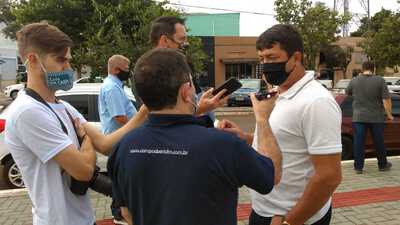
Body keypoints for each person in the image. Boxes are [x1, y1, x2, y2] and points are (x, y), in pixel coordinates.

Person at [108, 48, 282, 225]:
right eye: (192, 84)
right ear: (185, 91)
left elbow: (126, 213)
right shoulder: (223, 145)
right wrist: (263, 119)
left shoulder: (124, 147)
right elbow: (272, 175)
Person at [5, 22, 147, 225]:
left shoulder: (61, 106)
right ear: (33, 60)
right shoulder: (28, 111)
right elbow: (83, 171)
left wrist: (145, 111)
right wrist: (86, 139)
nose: (68, 68)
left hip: (83, 218)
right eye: (61, 60)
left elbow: (106, 145)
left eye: (68, 61)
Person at [219, 24, 342, 225]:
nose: (266, 64)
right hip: (263, 210)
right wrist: (246, 138)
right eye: (262, 59)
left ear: (295, 58)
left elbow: (329, 176)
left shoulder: (316, 102)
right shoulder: (277, 92)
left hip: (291, 216)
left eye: (272, 58)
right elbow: (283, 144)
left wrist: (291, 221)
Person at [149, 15, 225, 118]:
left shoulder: (179, 65)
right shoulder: (149, 72)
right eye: (181, 39)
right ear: (165, 40)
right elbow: (165, 119)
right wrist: (200, 109)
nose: (186, 44)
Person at [99, 55, 137, 224]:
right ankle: (119, 213)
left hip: (120, 138)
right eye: (127, 68)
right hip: (119, 139)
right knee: (121, 176)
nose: (129, 72)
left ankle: (120, 211)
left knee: (122, 176)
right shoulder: (112, 88)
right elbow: (120, 117)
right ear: (116, 69)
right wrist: (138, 127)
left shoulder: (115, 85)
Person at [346, 61, 393, 174]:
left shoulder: (354, 80)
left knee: (359, 142)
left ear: (362, 69)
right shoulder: (380, 80)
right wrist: (389, 115)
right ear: (374, 69)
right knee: (379, 141)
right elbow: (386, 99)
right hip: (376, 117)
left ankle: (358, 167)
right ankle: (382, 165)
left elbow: (348, 92)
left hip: (359, 117)